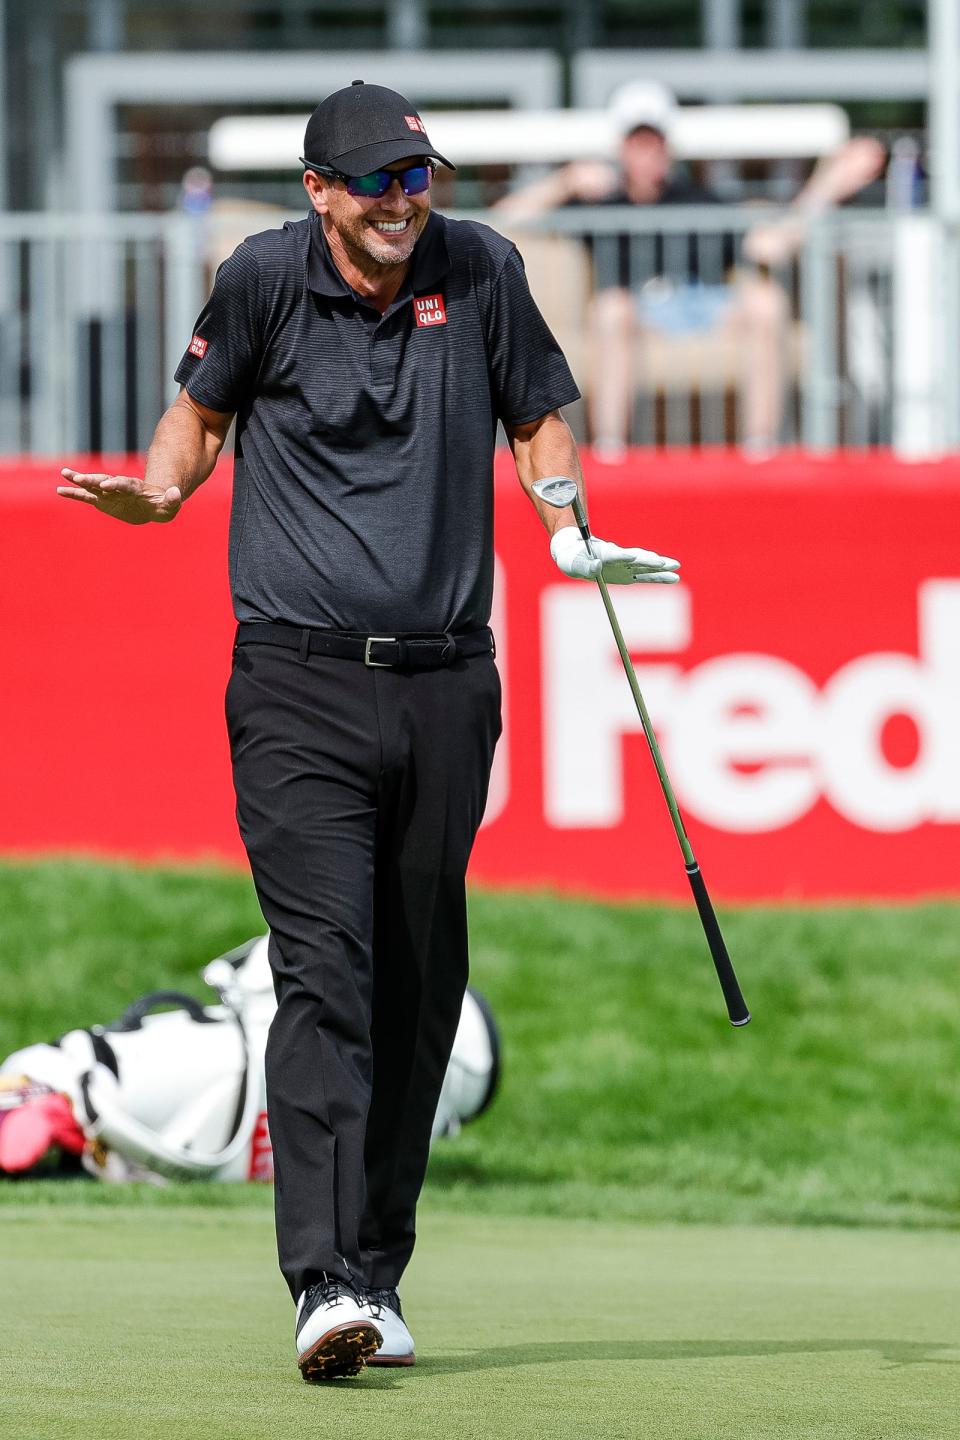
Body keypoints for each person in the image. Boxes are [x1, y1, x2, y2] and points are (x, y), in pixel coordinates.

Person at [56, 80, 680, 1383]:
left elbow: (538, 415)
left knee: (417, 981)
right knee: (323, 968)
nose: (406, 202)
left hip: (451, 681)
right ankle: (321, 1281)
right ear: (320, 191)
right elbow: (201, 414)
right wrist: (162, 492)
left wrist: (569, 524)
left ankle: (379, 1269)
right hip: (295, 683)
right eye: (379, 183)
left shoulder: (484, 269)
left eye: (417, 177)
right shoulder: (263, 282)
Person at [497, 81, 885, 458]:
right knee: (612, 308)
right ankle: (611, 453)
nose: (648, 152)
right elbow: (504, 221)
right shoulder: (599, 203)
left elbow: (770, 244)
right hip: (637, 311)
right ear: (622, 146)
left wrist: (829, 184)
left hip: (703, 304)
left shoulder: (701, 199)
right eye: (638, 140)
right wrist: (565, 181)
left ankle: (761, 449)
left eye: (655, 140)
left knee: (767, 302)